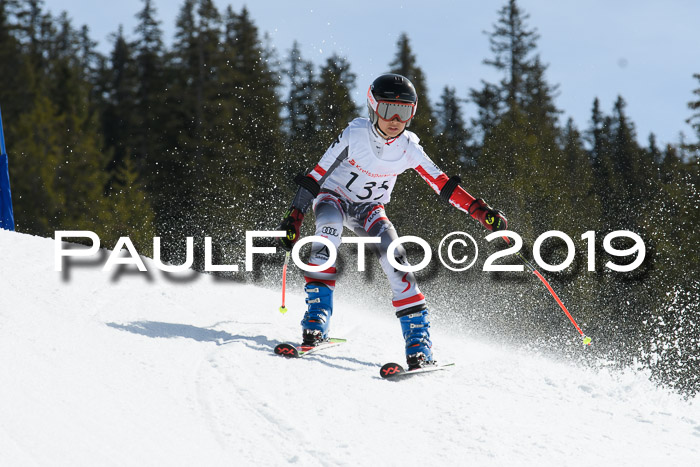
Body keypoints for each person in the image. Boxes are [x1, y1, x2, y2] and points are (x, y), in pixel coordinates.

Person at [277, 73, 507, 369]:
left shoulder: (409, 147)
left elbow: (444, 185)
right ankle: (316, 322)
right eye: (387, 110)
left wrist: (479, 211)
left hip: (370, 208)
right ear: (373, 108)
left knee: (395, 258)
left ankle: (418, 345)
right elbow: (316, 176)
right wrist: (295, 214)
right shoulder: (355, 134)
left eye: (404, 112)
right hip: (333, 197)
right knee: (328, 234)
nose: (395, 120)